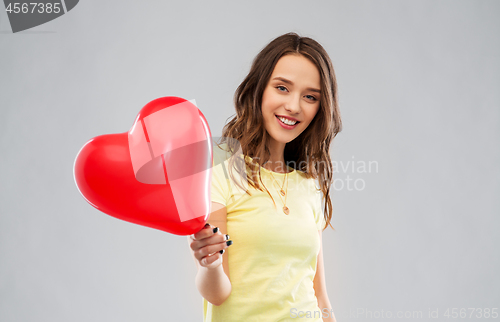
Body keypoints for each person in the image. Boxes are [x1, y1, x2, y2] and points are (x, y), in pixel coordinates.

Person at [187, 32, 342, 322]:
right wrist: (210, 265)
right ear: (259, 89)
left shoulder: (310, 184)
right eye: (282, 88)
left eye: (310, 97)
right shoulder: (220, 166)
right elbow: (217, 294)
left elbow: (319, 295)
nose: (294, 106)